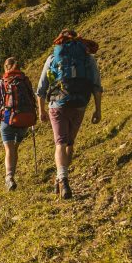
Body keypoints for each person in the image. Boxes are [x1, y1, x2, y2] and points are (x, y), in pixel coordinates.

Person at [36, 29, 102, 199]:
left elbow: (41, 89)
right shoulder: (87, 58)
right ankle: (62, 176)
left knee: (60, 143)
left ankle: (62, 178)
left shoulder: (52, 58)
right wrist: (97, 109)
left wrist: (41, 110)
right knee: (69, 143)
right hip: (79, 104)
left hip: (57, 104)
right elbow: (96, 86)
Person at [0, 57, 37, 191]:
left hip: (8, 121)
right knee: (15, 148)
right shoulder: (25, 81)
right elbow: (32, 98)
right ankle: (11, 175)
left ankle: (9, 177)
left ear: (5, 67)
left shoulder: (1, 82)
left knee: (9, 149)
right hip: (25, 120)